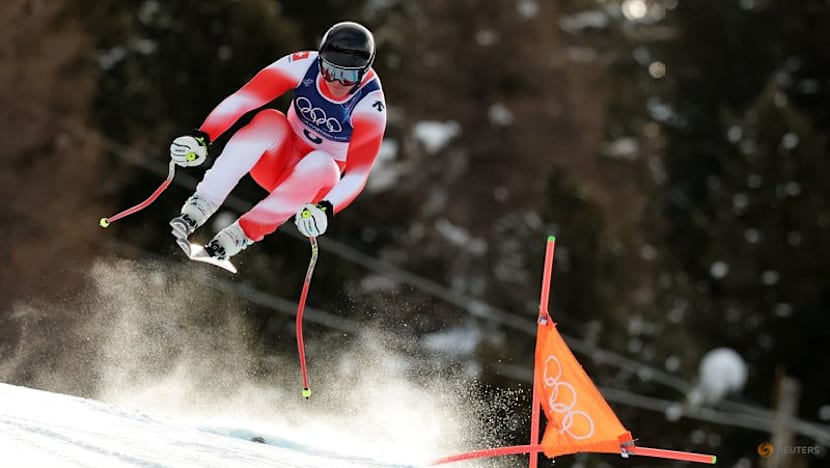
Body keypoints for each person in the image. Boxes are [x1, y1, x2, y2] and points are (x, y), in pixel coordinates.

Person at [168, 21, 387, 261]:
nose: (336, 82)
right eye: (330, 71)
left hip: (312, 188)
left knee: (323, 162)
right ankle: (201, 205)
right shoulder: (304, 65)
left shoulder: (370, 105)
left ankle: (239, 236)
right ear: (320, 60)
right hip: (275, 161)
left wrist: (327, 208)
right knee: (269, 120)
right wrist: (202, 136)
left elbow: (358, 174)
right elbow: (245, 98)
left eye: (348, 76)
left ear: (364, 72)